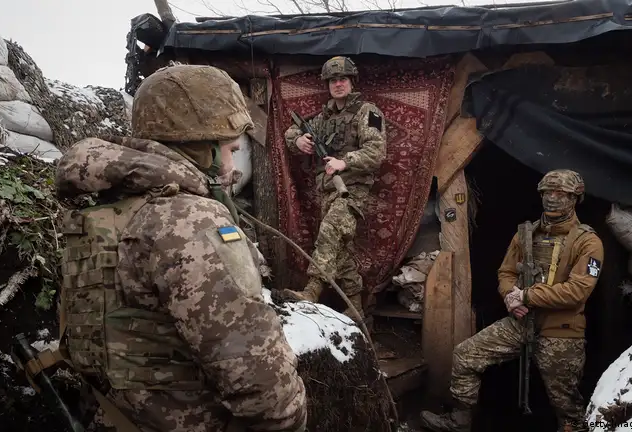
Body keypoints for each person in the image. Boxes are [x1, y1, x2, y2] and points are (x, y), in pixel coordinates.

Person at [53, 64, 308, 432]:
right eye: (230, 147)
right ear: (203, 148)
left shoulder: (102, 212)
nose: (233, 162)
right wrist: (292, 421)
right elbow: (259, 378)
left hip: (113, 414)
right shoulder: (188, 220)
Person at [419, 169, 604, 432]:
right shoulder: (526, 234)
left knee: (566, 404)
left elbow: (577, 291)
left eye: (560, 193)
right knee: (465, 355)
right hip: (520, 323)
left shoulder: (588, 242)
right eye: (547, 192)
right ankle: (459, 422)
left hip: (561, 331)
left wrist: (526, 296)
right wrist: (510, 298)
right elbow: (506, 272)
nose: (552, 198)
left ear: (575, 198)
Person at [281, 56, 387, 321]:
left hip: (353, 190)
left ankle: (312, 290)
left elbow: (376, 152)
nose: (338, 84)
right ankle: (357, 308)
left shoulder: (369, 113)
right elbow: (291, 133)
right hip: (327, 190)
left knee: (329, 233)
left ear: (352, 81)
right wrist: (300, 141)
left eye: (343, 79)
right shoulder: (322, 118)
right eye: (333, 80)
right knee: (340, 249)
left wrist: (345, 161)